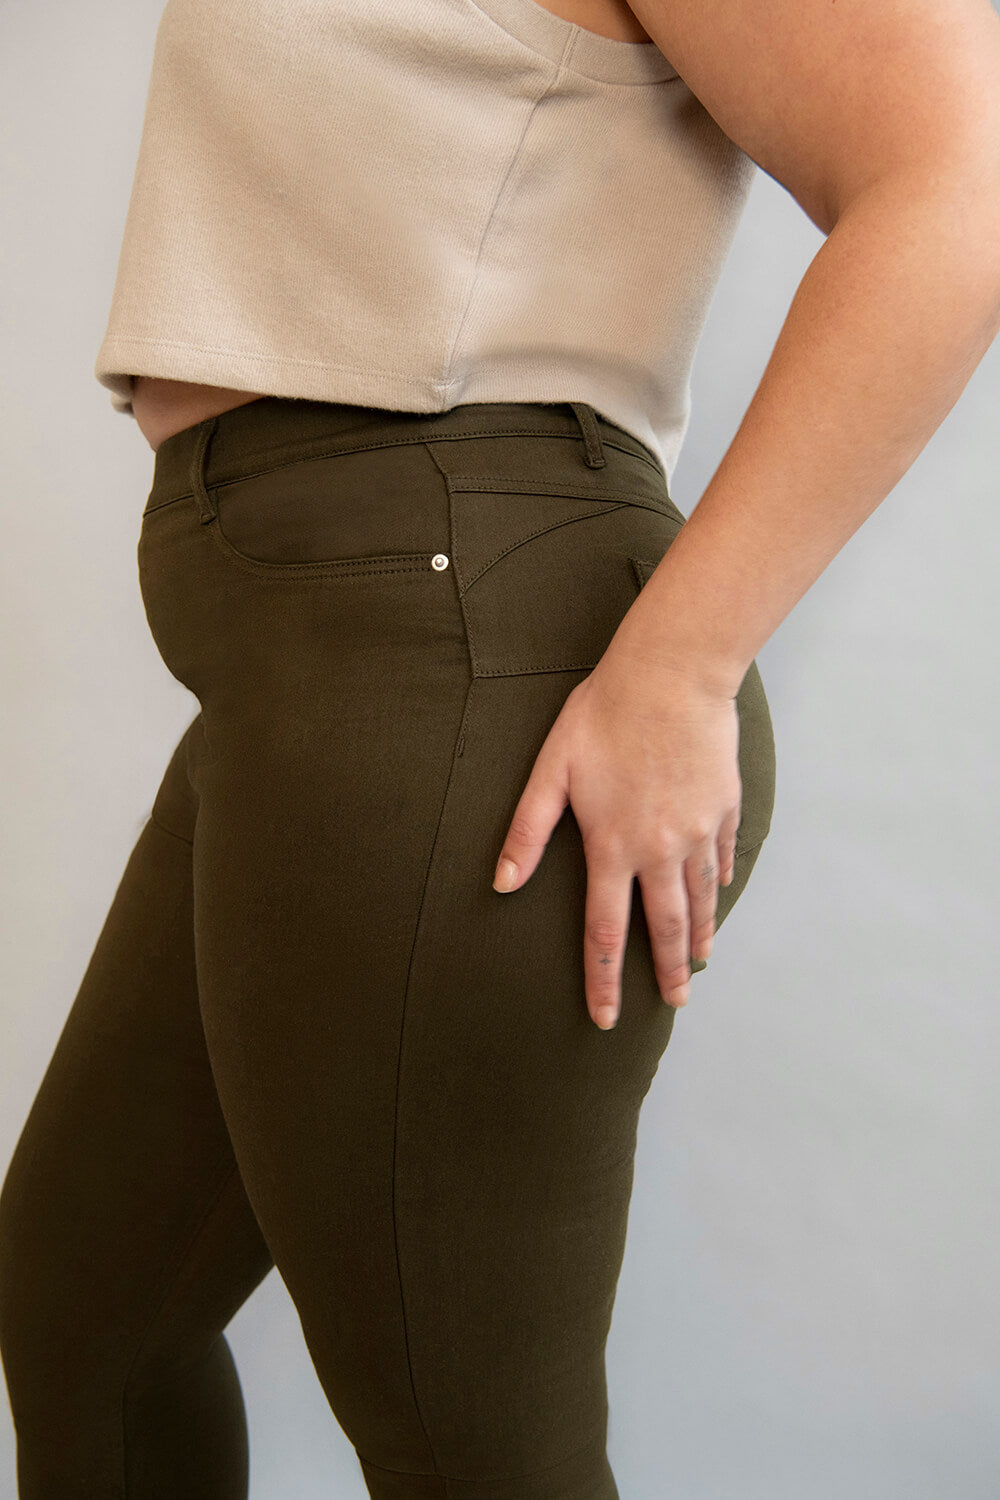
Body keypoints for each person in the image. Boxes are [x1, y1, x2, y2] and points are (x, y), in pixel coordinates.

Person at [1, 1, 999, 1496]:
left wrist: (682, 670)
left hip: (467, 646)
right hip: (318, 650)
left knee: (473, 1452)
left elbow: (961, 177)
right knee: (89, 1318)